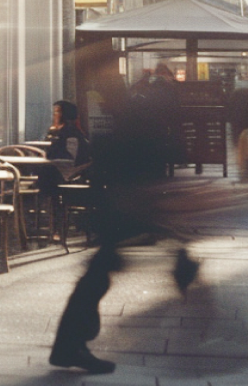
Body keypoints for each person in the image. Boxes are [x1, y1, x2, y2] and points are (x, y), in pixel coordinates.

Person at [49, 84, 199, 374]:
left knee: (97, 277)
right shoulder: (142, 128)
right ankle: (70, 345)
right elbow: (141, 171)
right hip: (124, 213)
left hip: (119, 213)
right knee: (95, 279)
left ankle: (71, 344)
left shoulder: (126, 126)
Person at [47, 99, 92, 166]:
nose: (54, 115)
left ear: (64, 115)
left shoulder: (71, 135)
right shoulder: (57, 133)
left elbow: (70, 162)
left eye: (57, 112)